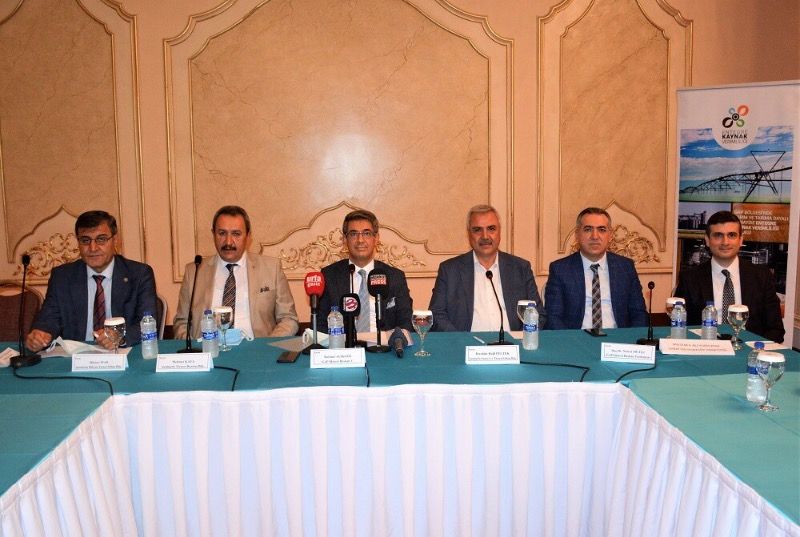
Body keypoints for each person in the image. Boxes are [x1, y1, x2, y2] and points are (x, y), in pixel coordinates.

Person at [25, 210, 157, 351]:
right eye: (85, 240)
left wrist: (120, 337)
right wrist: (40, 335)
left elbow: (147, 322)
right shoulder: (62, 277)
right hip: (76, 355)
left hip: (122, 353)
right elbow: (48, 319)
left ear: (115, 240)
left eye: (101, 239)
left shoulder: (139, 274)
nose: (93, 248)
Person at [173, 205, 298, 339]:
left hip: (256, 348)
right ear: (213, 234)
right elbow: (181, 323)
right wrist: (195, 348)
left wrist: (267, 346)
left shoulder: (271, 268)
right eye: (222, 233)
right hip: (208, 347)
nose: (228, 242)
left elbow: (288, 319)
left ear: (248, 236)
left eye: (236, 234)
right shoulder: (194, 271)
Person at [430, 204, 545, 332]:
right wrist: (461, 340)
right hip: (465, 342)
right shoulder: (449, 270)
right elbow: (437, 314)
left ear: (499, 232)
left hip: (512, 342)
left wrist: (522, 338)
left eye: (491, 229)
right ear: (469, 234)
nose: (485, 236)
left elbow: (538, 314)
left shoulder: (520, 268)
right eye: (477, 230)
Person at [675, 210, 784, 342]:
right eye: (718, 235)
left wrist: (756, 349)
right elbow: (679, 327)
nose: (725, 242)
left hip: (750, 349)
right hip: (707, 349)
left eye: (731, 235)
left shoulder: (761, 276)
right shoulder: (689, 278)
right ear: (707, 240)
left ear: (741, 240)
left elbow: (776, 329)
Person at [545, 207, 647, 330]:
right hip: (576, 338)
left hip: (618, 337)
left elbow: (639, 314)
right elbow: (553, 317)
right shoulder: (560, 269)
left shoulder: (625, 267)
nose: (595, 236)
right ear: (577, 234)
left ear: (610, 235)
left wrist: (631, 338)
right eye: (588, 229)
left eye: (601, 230)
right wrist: (571, 340)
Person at [317, 209, 413, 333]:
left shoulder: (395, 276)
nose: (360, 240)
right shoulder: (329, 275)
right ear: (344, 240)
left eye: (366, 233)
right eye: (353, 234)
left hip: (384, 343)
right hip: (344, 343)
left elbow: (406, 321)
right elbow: (320, 325)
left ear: (376, 238)